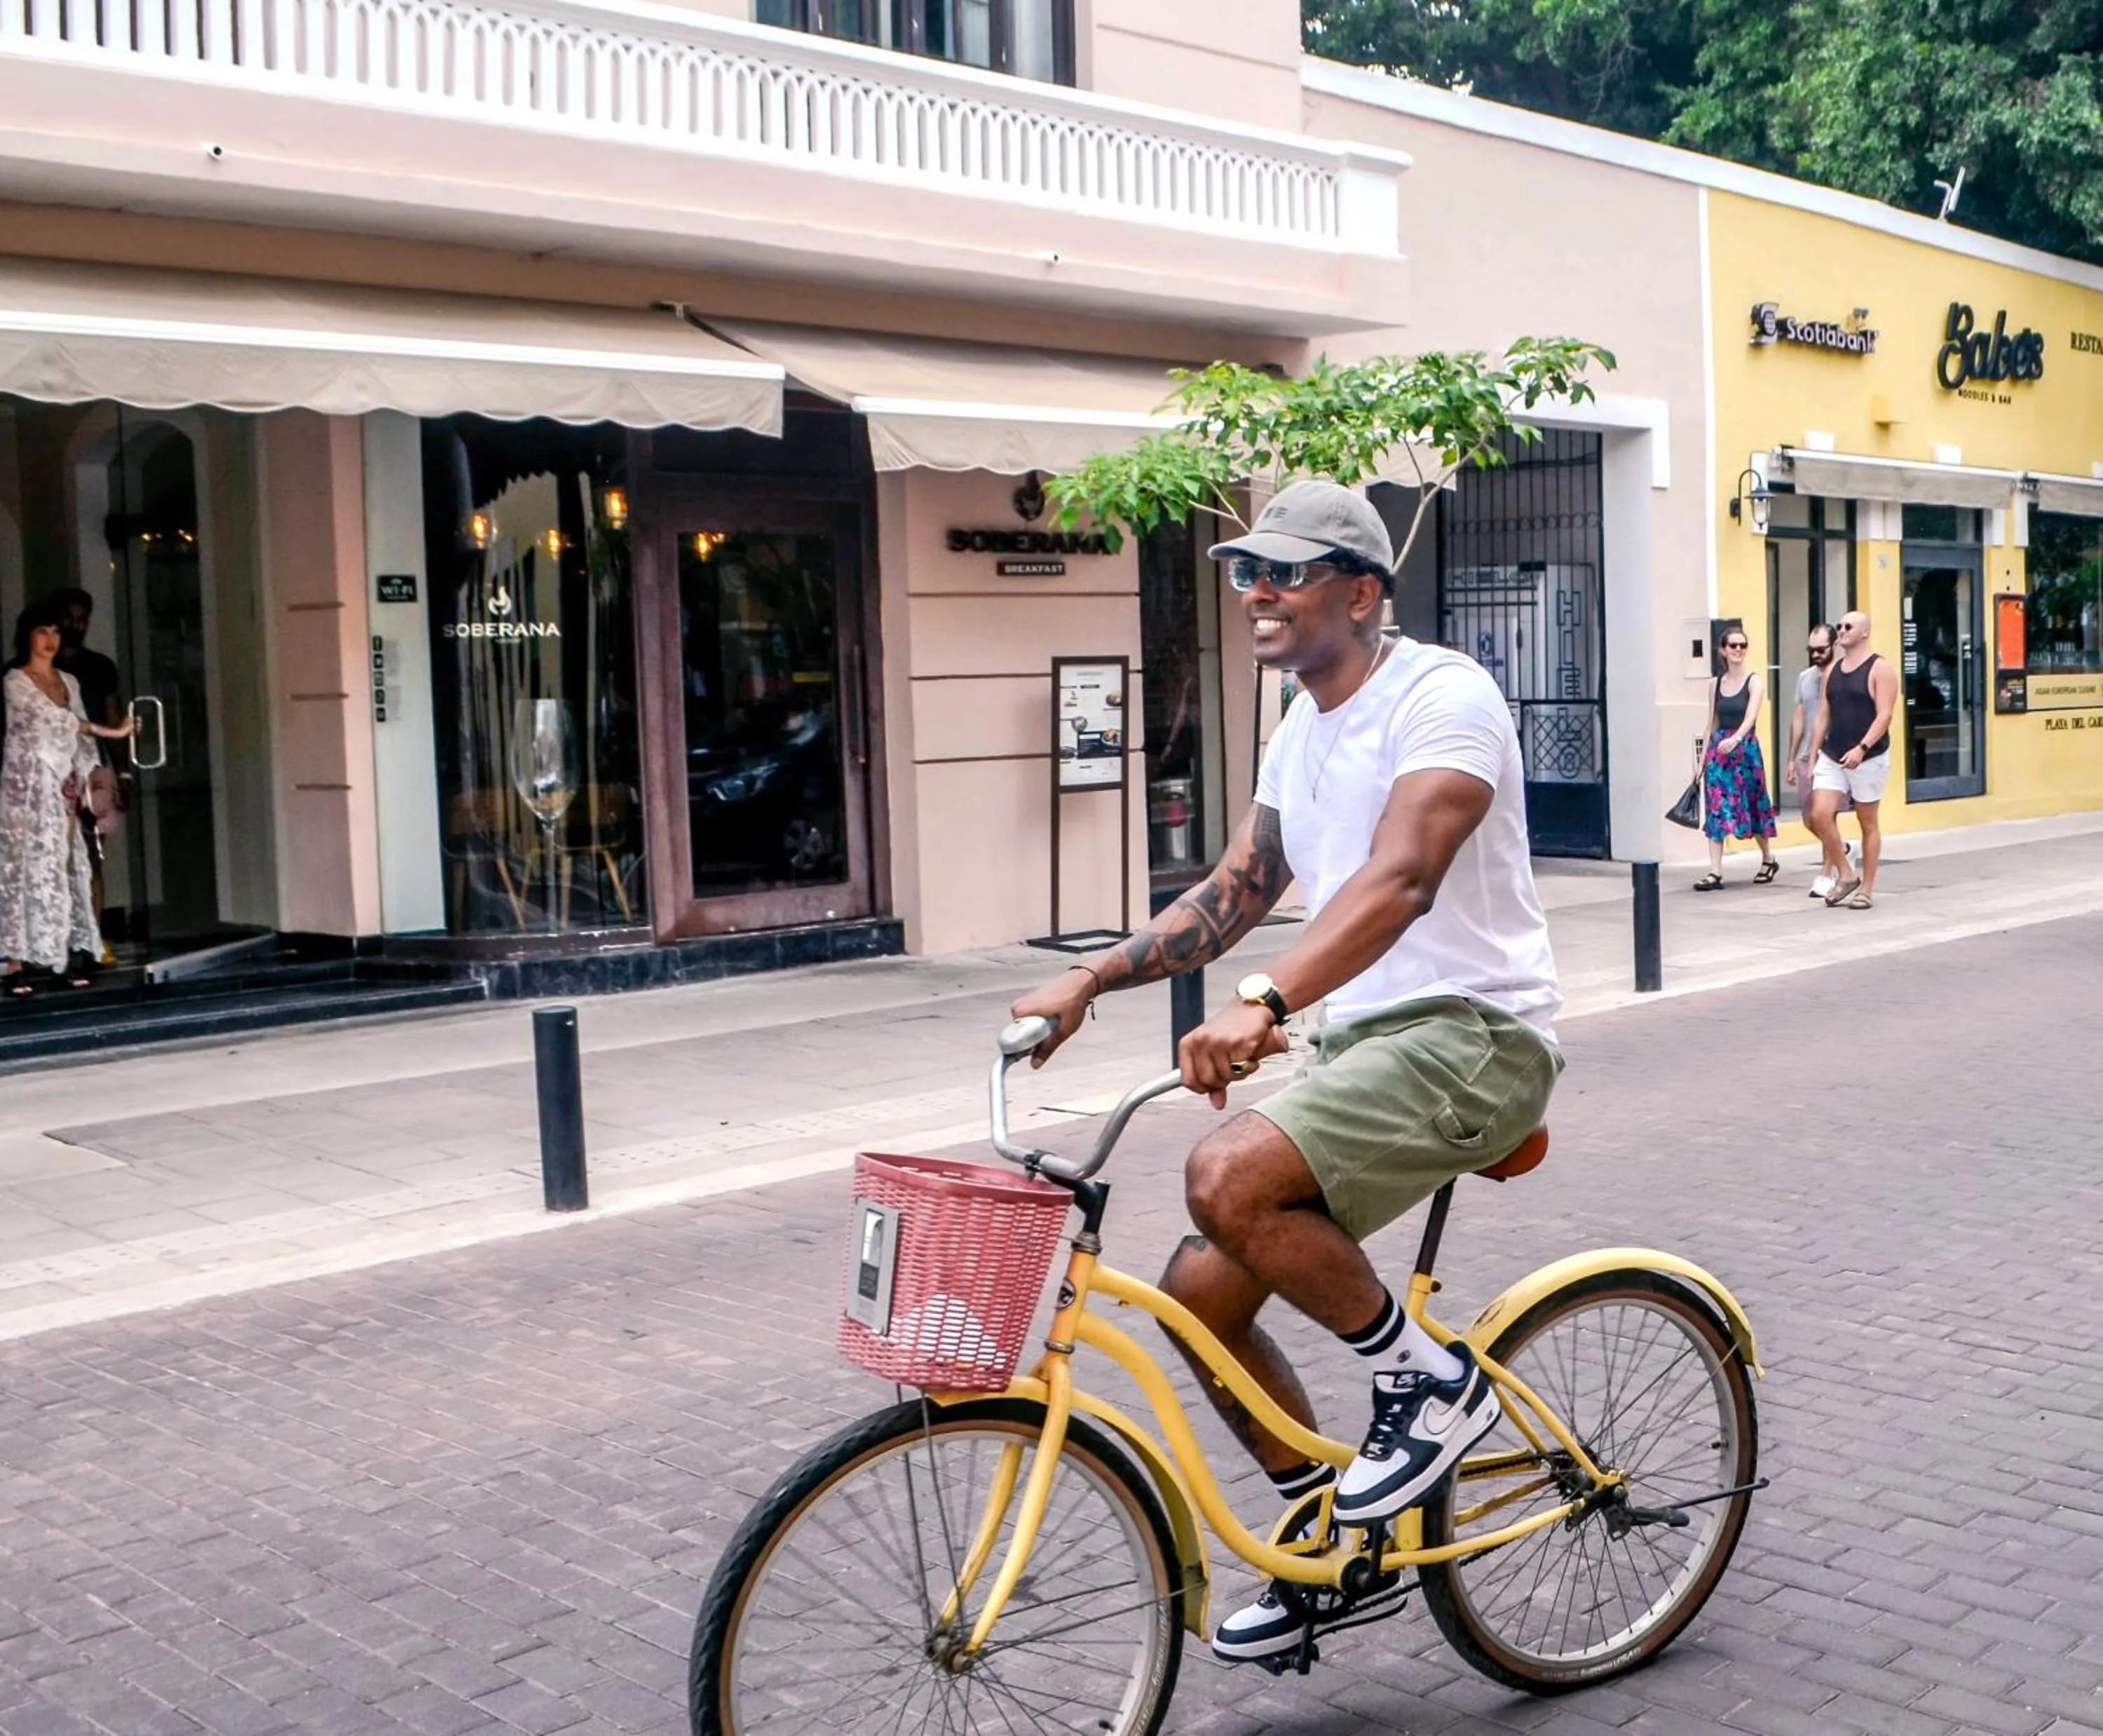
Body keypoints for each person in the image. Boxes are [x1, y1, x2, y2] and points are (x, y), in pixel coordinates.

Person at [1010, 480, 1563, 1666]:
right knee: (1204, 1299)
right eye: (1244, 570)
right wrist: (1091, 983)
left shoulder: (1443, 695)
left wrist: (1266, 1001)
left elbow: (1403, 873)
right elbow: (1238, 890)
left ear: (1362, 593)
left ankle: (1430, 1389)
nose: (1256, 590)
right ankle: (1327, 1548)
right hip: (1365, 1051)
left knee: (1226, 1175)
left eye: (1287, 570)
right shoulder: (1299, 725)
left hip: (1477, 1036)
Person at [0, 601, 136, 993]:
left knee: (65, 864)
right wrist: (112, 731)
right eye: (42, 632)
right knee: (23, 866)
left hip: (62, 787)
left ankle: (64, 954)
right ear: (27, 636)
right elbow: (54, 722)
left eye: (55, 632)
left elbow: (76, 738)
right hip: (26, 788)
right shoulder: (15, 680)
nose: (50, 640)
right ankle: (16, 962)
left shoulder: (69, 681)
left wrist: (90, 783)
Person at [1806, 610, 1898, 911]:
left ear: (1865, 632)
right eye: (1840, 626)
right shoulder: (1832, 670)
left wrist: (1862, 748)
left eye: (1849, 626)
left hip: (1868, 756)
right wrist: (1812, 754)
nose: (1842, 630)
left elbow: (1885, 715)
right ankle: (1846, 874)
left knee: (1867, 822)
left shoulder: (1880, 668)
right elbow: (1822, 714)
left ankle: (1867, 889)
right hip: (1833, 754)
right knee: (1819, 814)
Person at [1692, 629, 1777, 890]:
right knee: (1716, 806)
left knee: (1753, 803)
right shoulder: (1714, 684)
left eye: (1743, 645)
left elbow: (1751, 716)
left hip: (1745, 751)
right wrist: (1701, 760)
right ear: (1723, 650)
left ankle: (1768, 858)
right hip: (1719, 752)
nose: (1738, 650)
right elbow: (1711, 723)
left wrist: (1737, 739)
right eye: (1733, 645)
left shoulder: (1755, 681)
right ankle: (1715, 872)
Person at [1786, 625, 1854, 901]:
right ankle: (1843, 848)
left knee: (1826, 814)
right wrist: (1791, 758)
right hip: (1806, 755)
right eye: (1811, 650)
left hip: (1833, 753)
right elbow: (1800, 717)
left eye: (1821, 649)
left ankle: (1828, 874)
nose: (1815, 654)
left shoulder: (1842, 675)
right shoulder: (1805, 677)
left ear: (1835, 645)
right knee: (1809, 817)